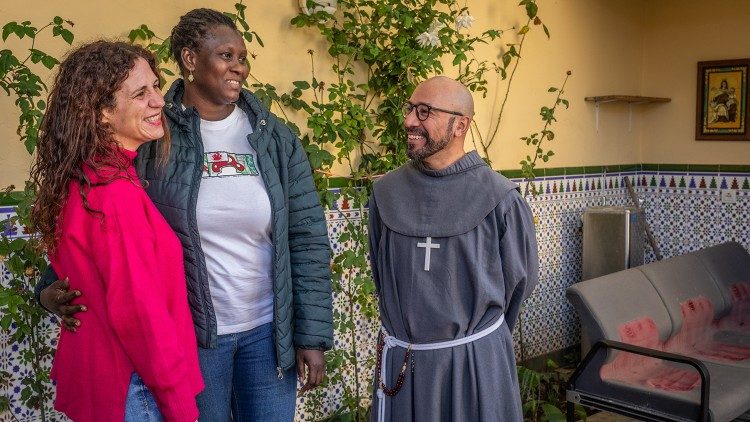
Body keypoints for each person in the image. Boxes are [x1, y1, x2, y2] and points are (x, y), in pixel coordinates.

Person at [36, 8, 333, 421]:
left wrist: (311, 335)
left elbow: (307, 237)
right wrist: (51, 288)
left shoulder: (274, 138)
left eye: (243, 58)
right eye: (226, 56)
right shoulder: (152, 135)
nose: (239, 68)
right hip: (193, 338)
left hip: (266, 332)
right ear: (191, 60)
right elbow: (103, 230)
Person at [30, 41, 203, 421]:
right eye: (141, 93)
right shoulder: (112, 193)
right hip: (134, 388)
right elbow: (140, 314)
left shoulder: (88, 178)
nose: (159, 101)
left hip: (111, 382)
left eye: (156, 86)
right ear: (103, 112)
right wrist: (179, 406)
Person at [368, 76, 539, 421]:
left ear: (461, 124)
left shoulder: (501, 198)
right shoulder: (385, 193)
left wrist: (474, 341)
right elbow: (380, 270)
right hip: (404, 367)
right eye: (411, 109)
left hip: (472, 367)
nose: (410, 121)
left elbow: (520, 282)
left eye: (425, 111)